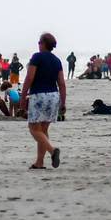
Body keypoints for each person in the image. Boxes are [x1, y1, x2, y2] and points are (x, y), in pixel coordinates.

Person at [19, 32, 67, 170]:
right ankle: (39, 162)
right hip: (53, 96)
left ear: (44, 44)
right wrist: (63, 102)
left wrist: (23, 98)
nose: (38, 44)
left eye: (39, 42)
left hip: (39, 95)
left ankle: (53, 151)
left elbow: (29, 78)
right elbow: (62, 83)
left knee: (33, 128)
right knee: (43, 130)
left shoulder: (37, 57)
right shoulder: (57, 60)